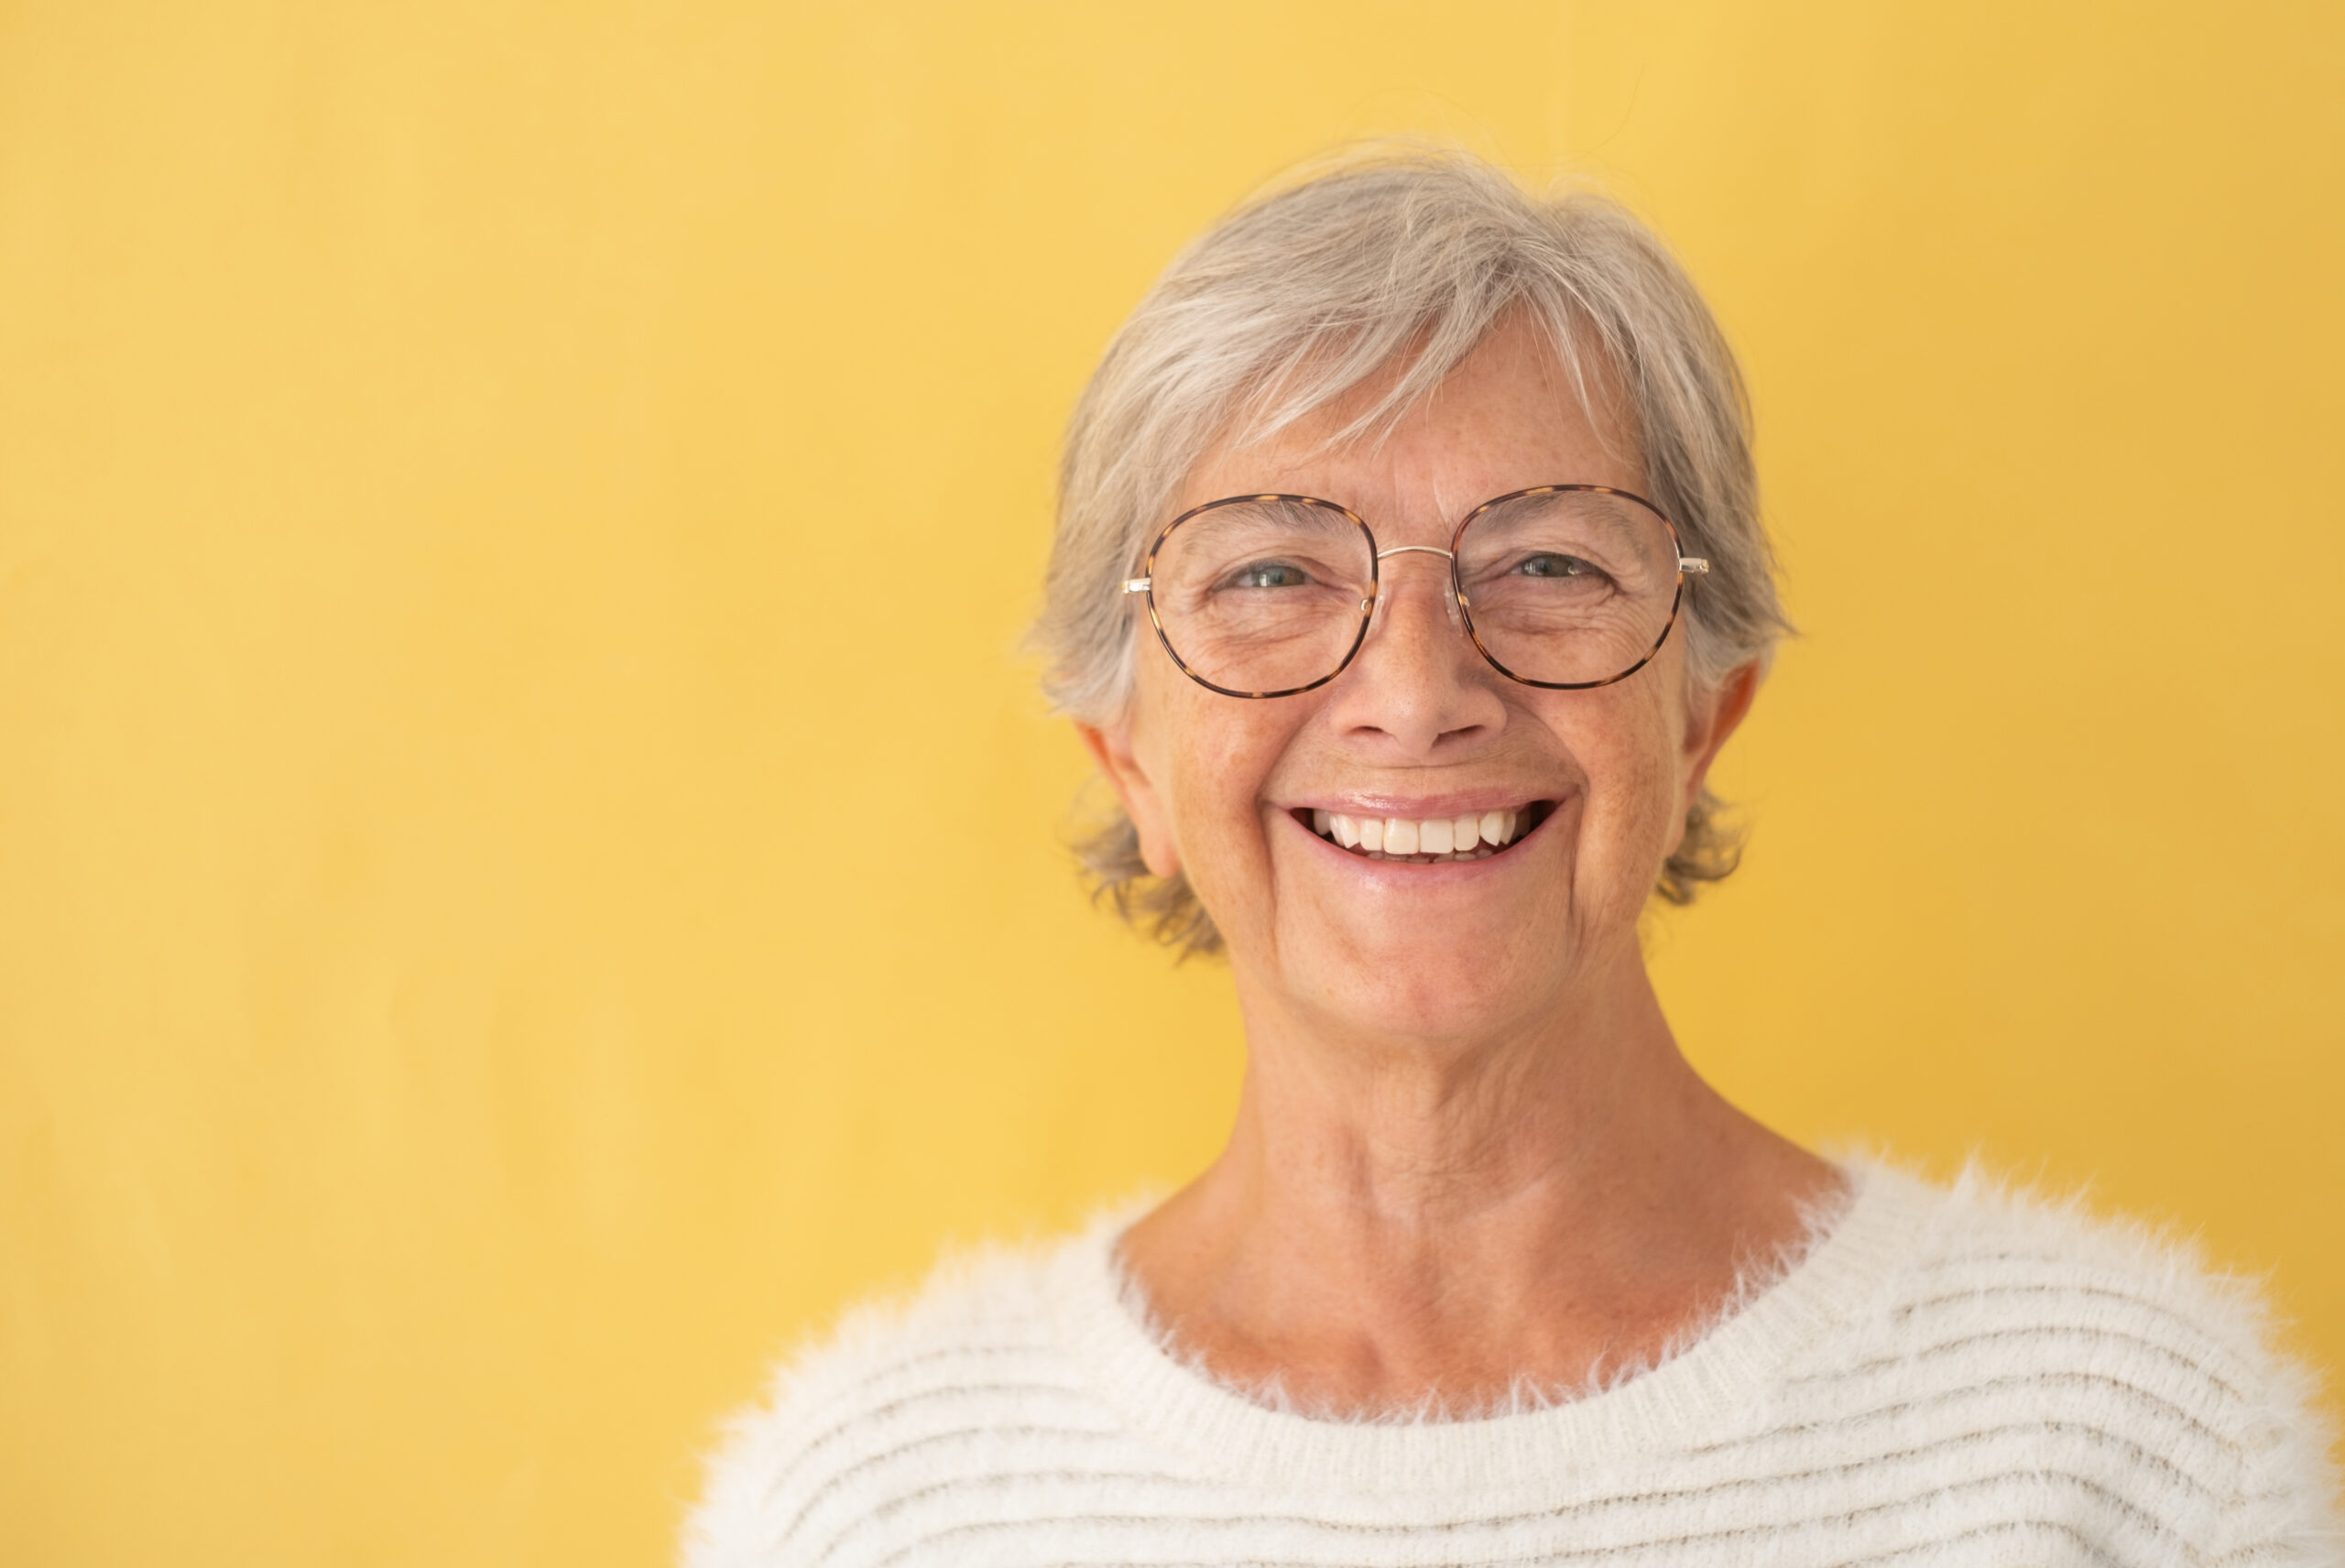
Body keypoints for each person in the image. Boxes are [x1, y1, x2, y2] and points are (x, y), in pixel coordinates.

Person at [683, 147, 2338, 1566]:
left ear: (1700, 721)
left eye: (1548, 559)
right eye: (1269, 574)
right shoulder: (873, 1513)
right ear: (1128, 760)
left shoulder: (2130, 1466)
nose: (1414, 693)